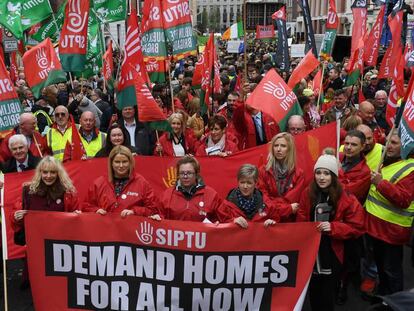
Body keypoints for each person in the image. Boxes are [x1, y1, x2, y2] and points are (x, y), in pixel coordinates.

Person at [296, 154, 365, 311]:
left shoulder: (345, 197)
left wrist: (333, 228)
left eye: (326, 173)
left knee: (327, 295)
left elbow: (358, 226)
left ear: (333, 176)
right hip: (311, 253)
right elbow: (301, 218)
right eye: (318, 172)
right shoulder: (308, 192)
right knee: (313, 291)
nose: (321, 177)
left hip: (332, 253)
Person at [365, 131, 414, 295]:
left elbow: (403, 200)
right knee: (382, 269)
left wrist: (380, 183)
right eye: (388, 142)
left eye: (394, 143)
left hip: (391, 231)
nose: (388, 146)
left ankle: (394, 303)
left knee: (391, 272)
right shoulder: (388, 161)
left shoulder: (411, 168)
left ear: (406, 146)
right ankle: (383, 298)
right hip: (376, 228)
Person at [83, 146, 161, 218]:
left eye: (124, 162)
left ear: (130, 162)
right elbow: (86, 206)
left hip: (131, 230)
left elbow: (153, 210)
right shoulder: (99, 183)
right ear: (111, 163)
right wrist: (96, 210)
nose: (121, 165)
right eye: (117, 162)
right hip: (105, 230)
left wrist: (134, 211)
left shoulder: (141, 182)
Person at [11, 156, 81, 236]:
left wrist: (77, 215)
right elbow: (15, 213)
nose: (48, 176)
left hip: (60, 239)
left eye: (53, 172)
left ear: (58, 173)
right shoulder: (28, 190)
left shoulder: (68, 192)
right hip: (36, 237)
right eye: (45, 172)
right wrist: (16, 216)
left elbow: (76, 215)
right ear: (40, 173)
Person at [160, 156, 225, 222]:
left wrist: (219, 223)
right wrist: (156, 217)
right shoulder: (167, 195)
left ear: (196, 174)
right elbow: (159, 215)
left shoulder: (211, 195)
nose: (185, 176)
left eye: (189, 173)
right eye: (182, 173)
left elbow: (225, 218)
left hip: (202, 232)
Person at [257, 133, 305, 222]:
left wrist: (274, 204)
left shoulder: (299, 174)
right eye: (276, 146)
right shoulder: (262, 171)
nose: (278, 149)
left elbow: (291, 200)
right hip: (267, 220)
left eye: (283, 146)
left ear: (289, 149)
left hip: (289, 222)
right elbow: (263, 200)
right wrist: (288, 208)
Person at [222, 164, 279, 228]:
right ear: (238, 182)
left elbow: (277, 222)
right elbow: (220, 223)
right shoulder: (227, 205)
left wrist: (272, 222)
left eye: (249, 183)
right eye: (242, 182)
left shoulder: (267, 204)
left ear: (256, 183)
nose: (245, 186)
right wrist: (232, 221)